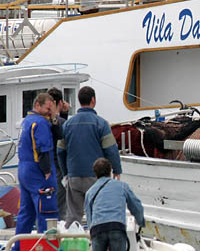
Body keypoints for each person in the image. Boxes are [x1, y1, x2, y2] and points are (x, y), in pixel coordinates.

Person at [58, 85, 122, 226]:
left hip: (73, 177)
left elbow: (60, 151)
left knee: (73, 217)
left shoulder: (68, 125)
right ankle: (96, 245)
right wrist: (117, 170)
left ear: (80, 101)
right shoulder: (101, 124)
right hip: (95, 178)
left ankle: (71, 243)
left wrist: (65, 173)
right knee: (97, 214)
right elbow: (111, 149)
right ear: (93, 100)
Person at [84, 158, 145, 251]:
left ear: (95, 173)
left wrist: (93, 236)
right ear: (110, 171)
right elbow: (136, 206)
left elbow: (89, 218)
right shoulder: (122, 186)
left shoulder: (90, 192)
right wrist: (141, 222)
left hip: (97, 230)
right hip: (116, 227)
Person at [16, 92, 59, 237]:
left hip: (23, 169)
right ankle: (46, 246)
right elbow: (43, 148)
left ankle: (18, 249)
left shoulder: (27, 121)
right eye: (48, 108)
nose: (49, 112)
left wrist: (53, 117)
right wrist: (46, 170)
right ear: (37, 105)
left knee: (26, 212)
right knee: (46, 210)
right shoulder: (40, 123)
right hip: (38, 171)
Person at [46, 87, 70, 217]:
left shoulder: (41, 120)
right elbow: (62, 135)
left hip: (45, 166)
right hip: (58, 166)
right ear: (60, 103)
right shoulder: (61, 122)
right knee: (61, 204)